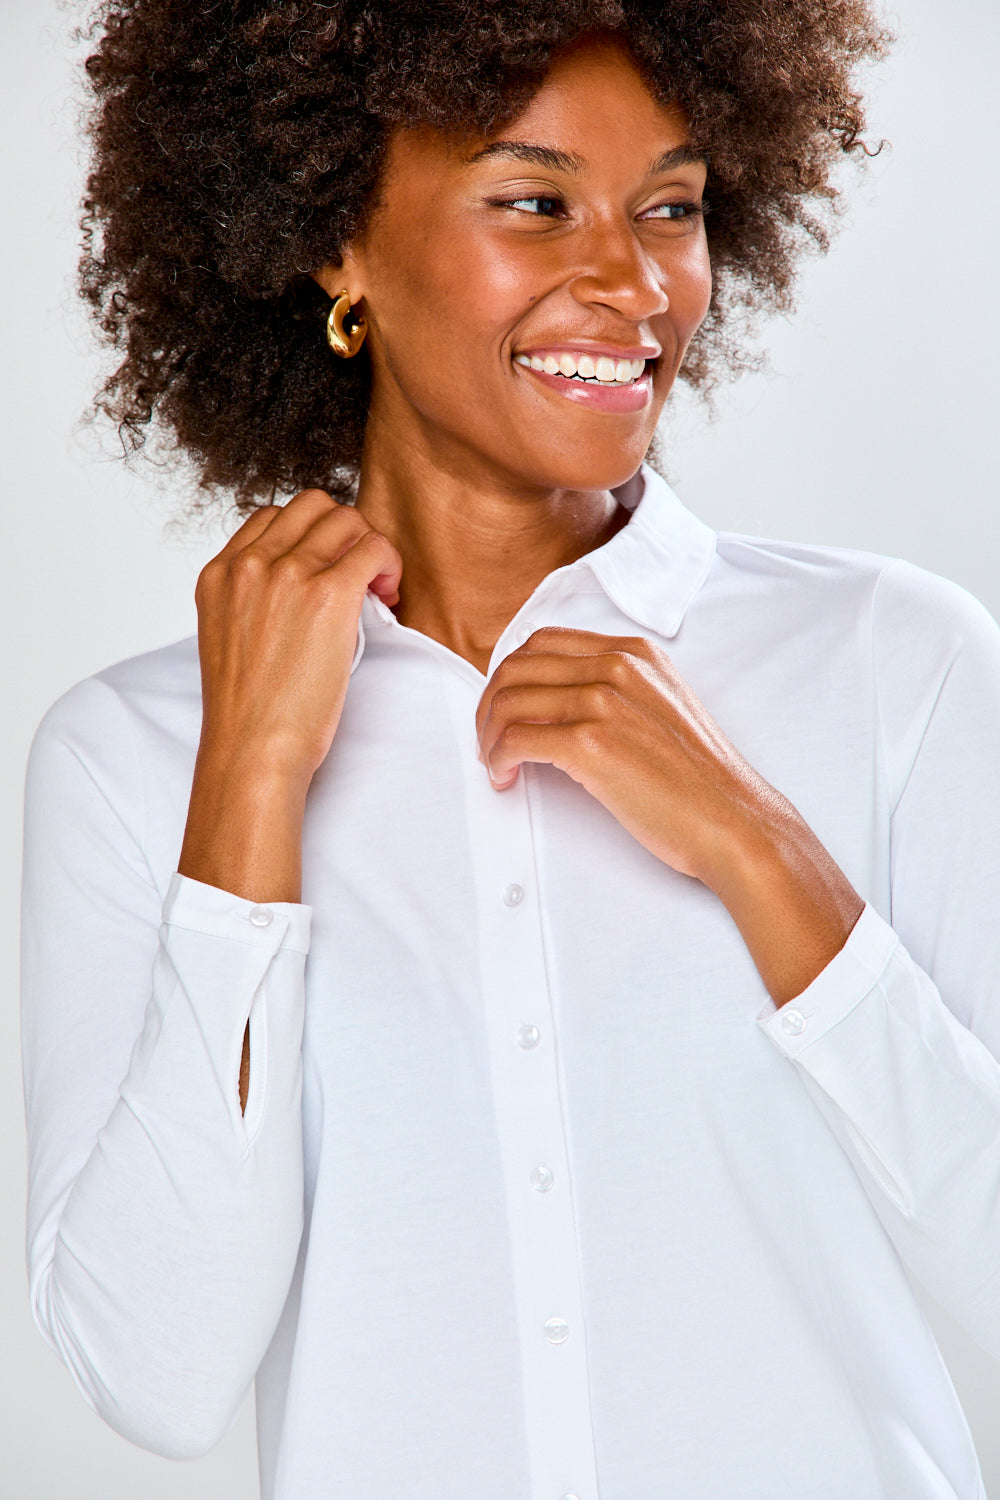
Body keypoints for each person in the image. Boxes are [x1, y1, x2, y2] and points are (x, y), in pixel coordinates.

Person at [20, 3, 1000, 1497]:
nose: (634, 283)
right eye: (537, 203)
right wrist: (251, 785)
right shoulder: (134, 755)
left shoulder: (891, 660)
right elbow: (156, 1377)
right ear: (336, 242)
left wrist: (761, 849)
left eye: (670, 207)